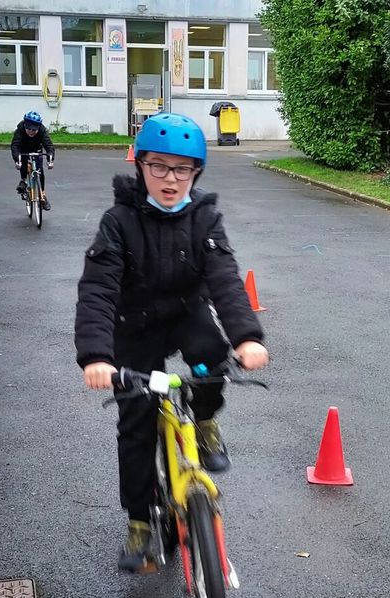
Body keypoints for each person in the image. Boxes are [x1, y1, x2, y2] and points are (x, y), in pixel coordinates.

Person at [75, 113, 269, 573]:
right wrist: (97, 356)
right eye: (159, 166)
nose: (170, 178)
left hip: (185, 311)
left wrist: (246, 337)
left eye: (182, 169)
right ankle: (141, 523)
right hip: (134, 322)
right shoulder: (118, 222)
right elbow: (98, 288)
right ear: (140, 165)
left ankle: (203, 422)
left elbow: (224, 278)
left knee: (210, 355)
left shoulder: (204, 217)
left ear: (196, 173)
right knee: (137, 424)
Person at [10, 111, 55, 210]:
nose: (31, 132)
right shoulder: (20, 129)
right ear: (25, 126)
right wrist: (17, 160)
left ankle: (42, 195)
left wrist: (50, 160)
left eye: (34, 130)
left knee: (39, 170)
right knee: (23, 161)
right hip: (23, 148)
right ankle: (24, 180)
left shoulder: (42, 130)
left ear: (38, 128)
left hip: (36, 149)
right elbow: (15, 145)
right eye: (29, 129)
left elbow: (48, 145)